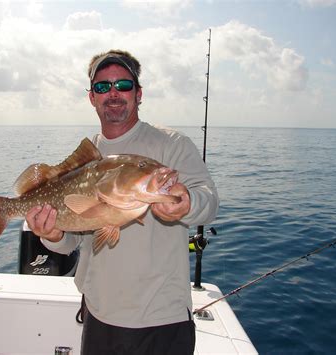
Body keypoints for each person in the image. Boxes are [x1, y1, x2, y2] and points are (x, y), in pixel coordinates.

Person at [26, 49, 219, 354]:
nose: (113, 93)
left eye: (123, 85)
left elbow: (208, 202)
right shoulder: (85, 159)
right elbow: (70, 242)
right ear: (92, 97)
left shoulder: (172, 145)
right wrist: (51, 234)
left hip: (163, 318)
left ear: (138, 94)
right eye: (103, 87)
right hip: (100, 315)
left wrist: (187, 204)